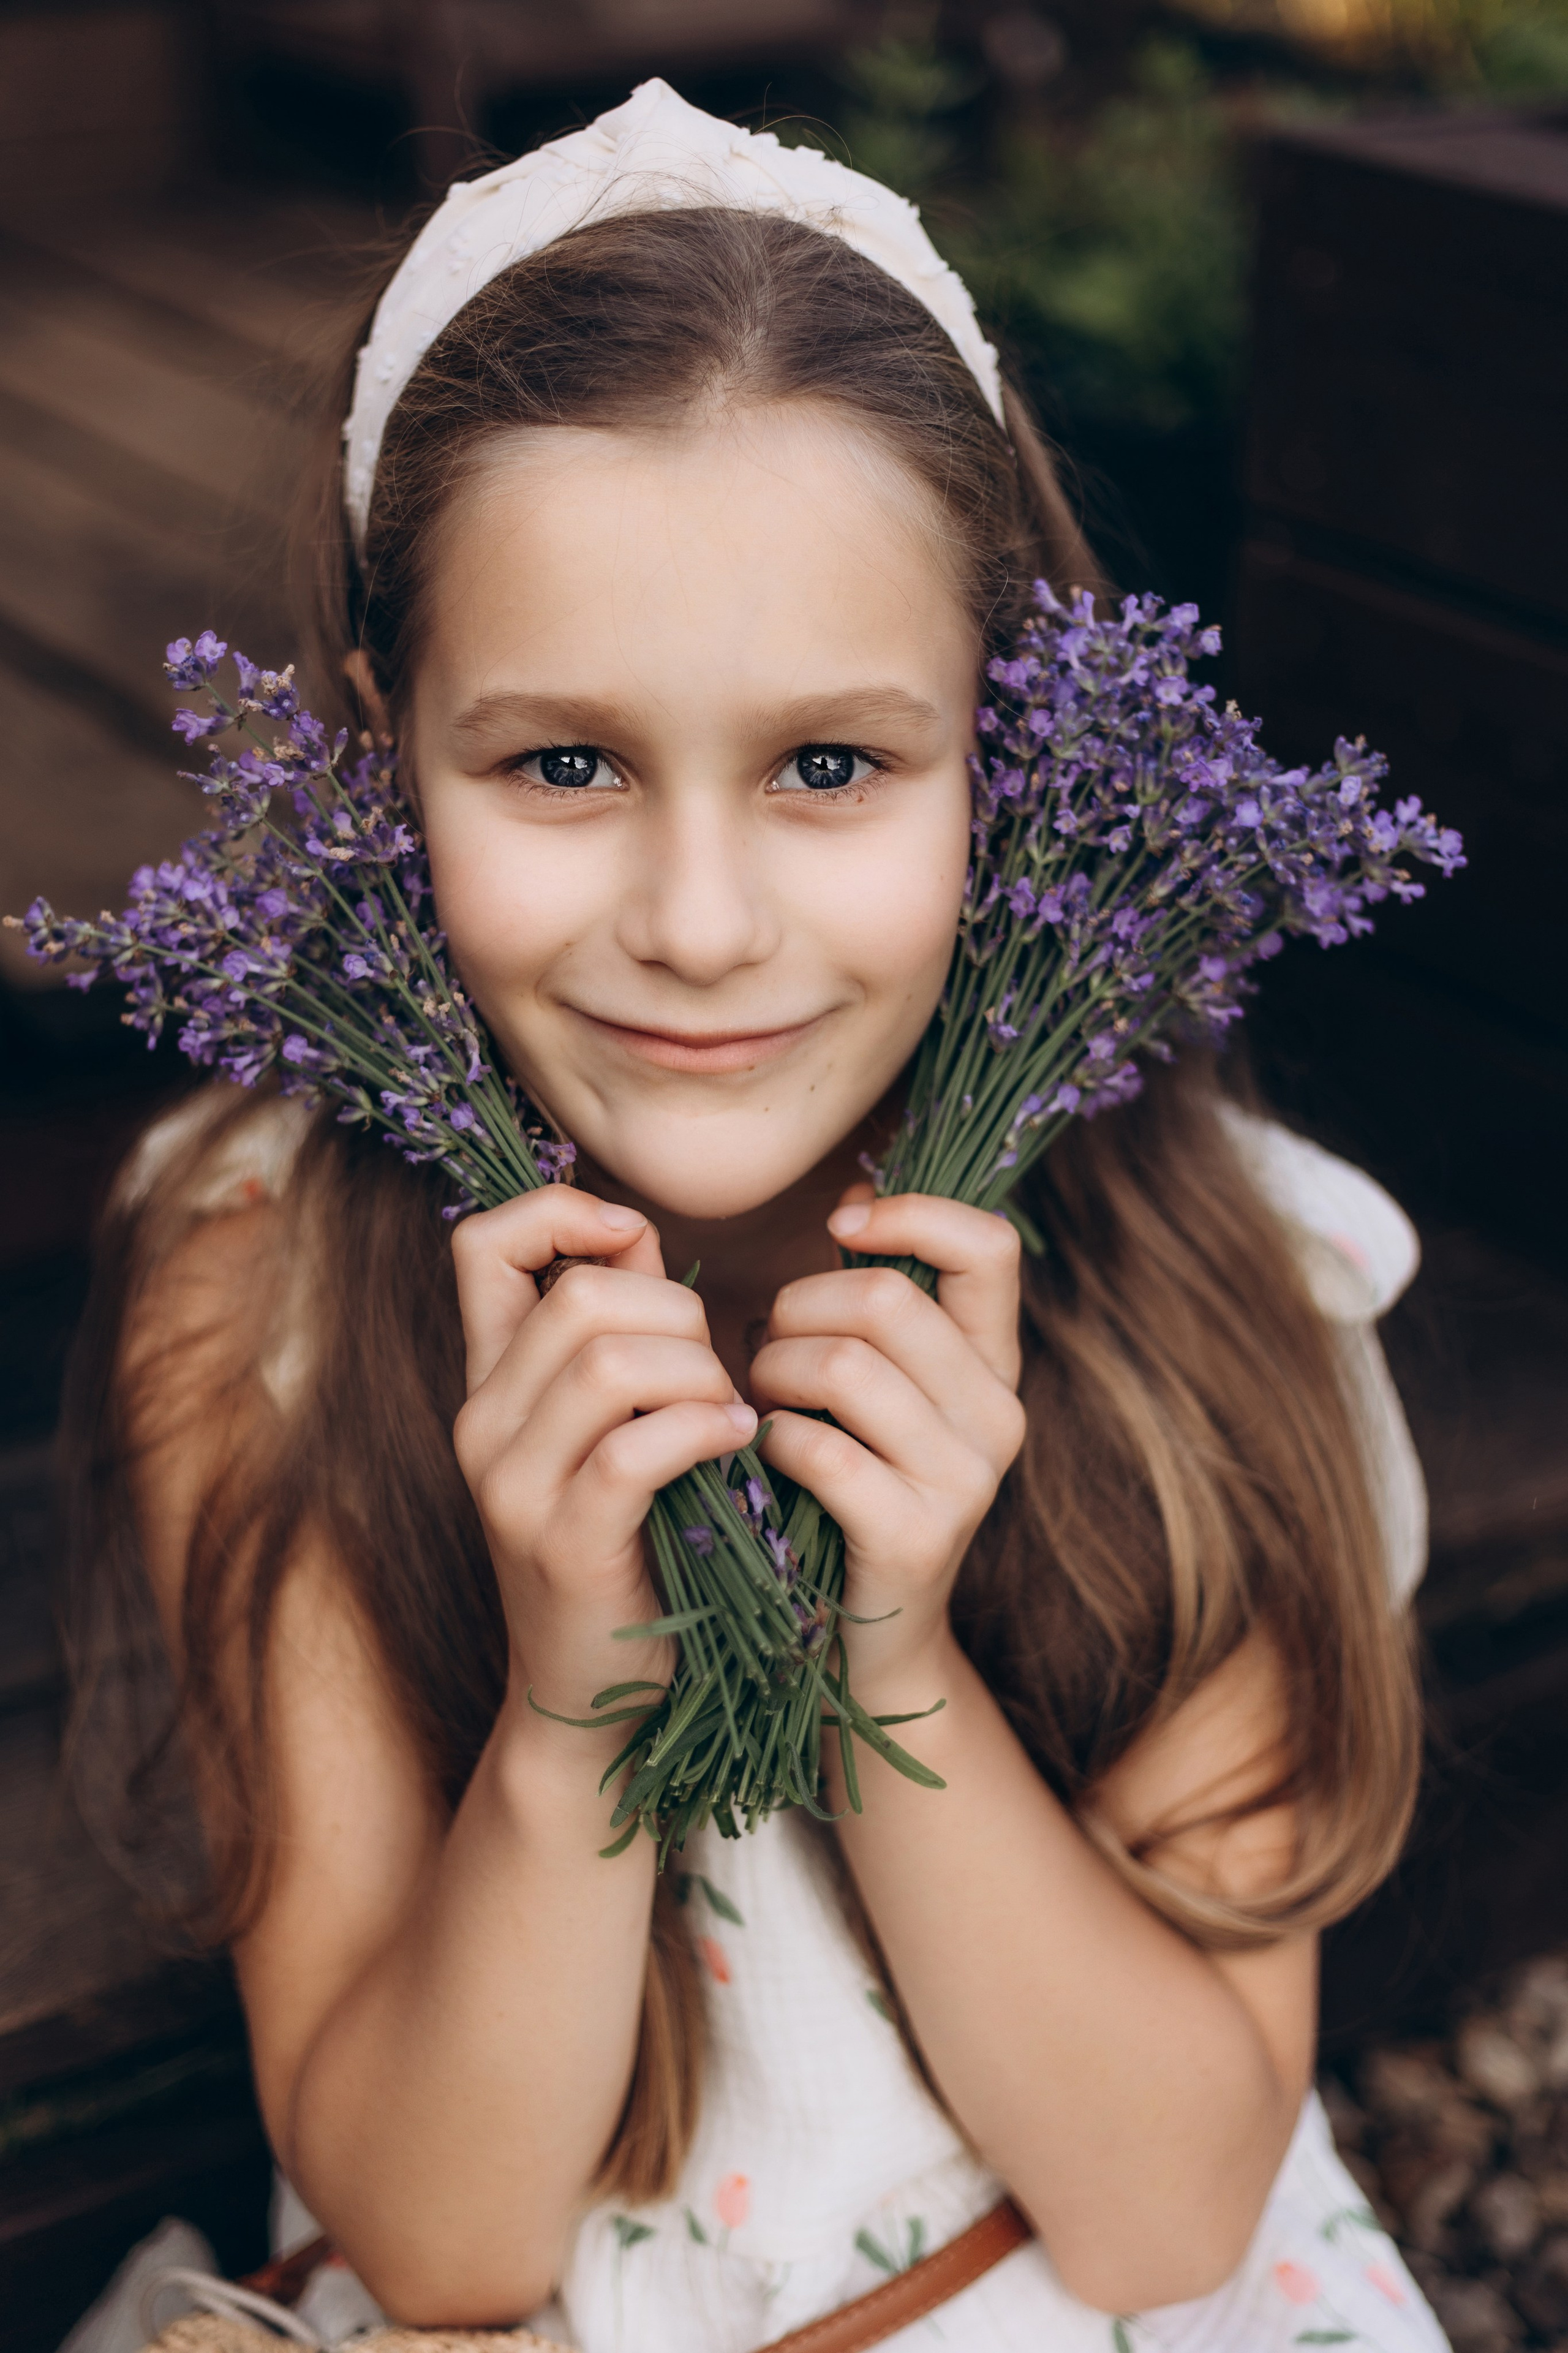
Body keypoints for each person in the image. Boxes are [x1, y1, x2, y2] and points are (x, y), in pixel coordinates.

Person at [66, 81, 1451, 2353]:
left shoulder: (1217, 1294)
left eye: (831, 763)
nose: (699, 925)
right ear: (379, 755)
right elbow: (436, 2243)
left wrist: (890, 1654)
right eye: (563, 762)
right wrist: (569, 1708)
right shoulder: (268, 1289)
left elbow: (1171, 2214)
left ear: (1013, 754)